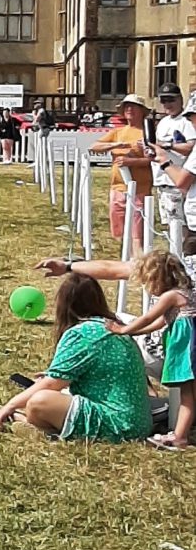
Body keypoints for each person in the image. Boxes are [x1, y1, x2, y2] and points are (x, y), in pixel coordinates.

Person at [0, 273, 153, 441]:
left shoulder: (81, 334)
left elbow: (53, 383)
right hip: (139, 423)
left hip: (117, 424)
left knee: (39, 402)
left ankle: (30, 424)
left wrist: (10, 405)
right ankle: (30, 423)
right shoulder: (115, 328)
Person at [107, 251, 196, 450]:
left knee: (188, 394)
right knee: (188, 393)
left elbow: (148, 318)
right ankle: (180, 432)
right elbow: (158, 323)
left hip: (187, 348)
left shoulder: (171, 296)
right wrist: (133, 331)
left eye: (148, 282)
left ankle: (180, 437)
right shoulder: (185, 294)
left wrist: (123, 329)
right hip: (187, 345)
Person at [91, 93, 154, 246]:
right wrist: (115, 145)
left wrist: (131, 161)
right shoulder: (118, 132)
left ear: (141, 110)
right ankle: (125, 257)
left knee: (137, 233)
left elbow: (155, 160)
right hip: (117, 187)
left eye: (133, 106)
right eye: (127, 107)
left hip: (140, 188)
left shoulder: (148, 133)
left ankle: (137, 260)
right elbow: (94, 147)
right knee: (118, 231)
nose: (129, 109)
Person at [153, 86, 195, 258]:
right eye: (163, 100)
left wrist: (167, 150)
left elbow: (190, 147)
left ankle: (180, 260)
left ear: (180, 99)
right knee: (171, 224)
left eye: (171, 99)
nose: (167, 104)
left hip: (178, 182)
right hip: (163, 180)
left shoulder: (185, 123)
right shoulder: (163, 122)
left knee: (181, 228)